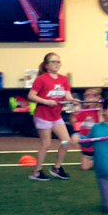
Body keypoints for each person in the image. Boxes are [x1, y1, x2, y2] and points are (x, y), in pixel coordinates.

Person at [28, 52, 80, 181]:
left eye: (58, 62)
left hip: (56, 116)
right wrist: (46, 101)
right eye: (53, 62)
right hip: (43, 116)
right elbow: (31, 96)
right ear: (46, 65)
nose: (56, 64)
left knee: (65, 141)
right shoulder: (41, 79)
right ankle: (37, 172)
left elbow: (67, 95)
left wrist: (72, 100)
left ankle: (56, 168)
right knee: (46, 144)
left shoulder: (64, 79)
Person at [71, 88, 105, 172]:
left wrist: (100, 113)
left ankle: (101, 160)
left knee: (104, 167)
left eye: (92, 96)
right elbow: (76, 126)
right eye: (87, 96)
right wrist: (73, 113)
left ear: (98, 98)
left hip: (98, 146)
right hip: (87, 146)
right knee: (84, 168)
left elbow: (102, 127)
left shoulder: (101, 112)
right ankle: (96, 161)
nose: (89, 99)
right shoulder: (83, 111)